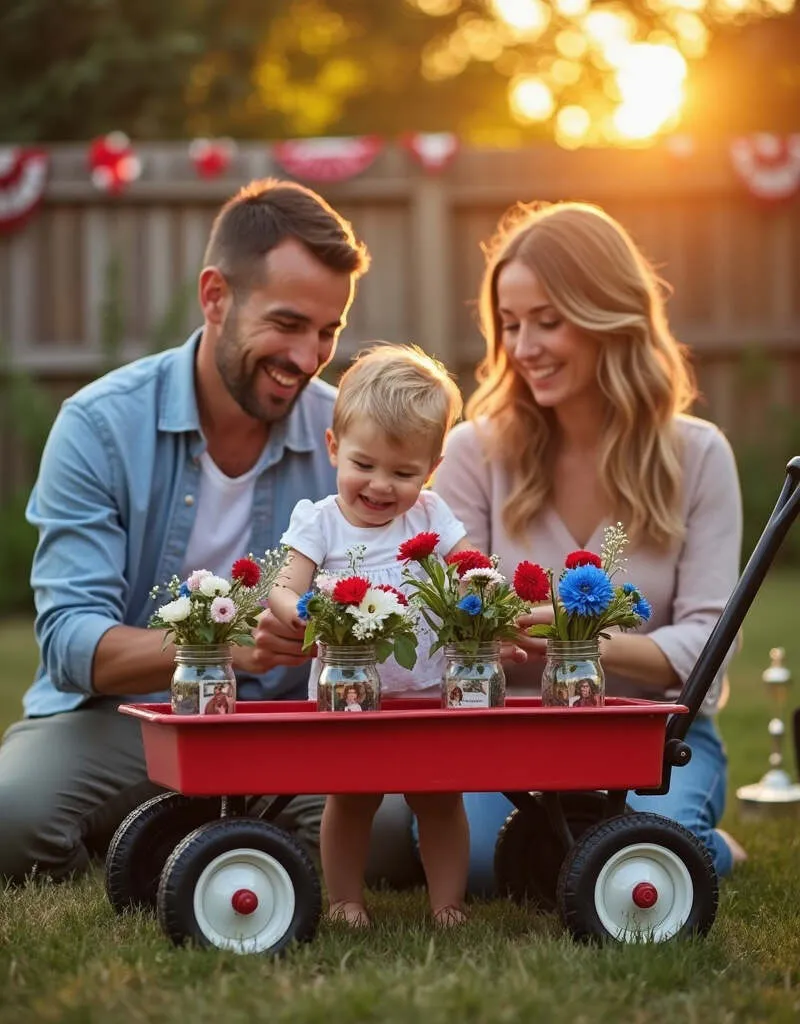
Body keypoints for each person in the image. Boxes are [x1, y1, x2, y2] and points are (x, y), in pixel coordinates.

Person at [0, 178, 369, 884]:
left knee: (383, 841)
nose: (308, 355)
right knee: (12, 819)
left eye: (328, 331)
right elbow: (72, 641)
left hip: (290, 724)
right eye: (287, 324)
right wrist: (221, 643)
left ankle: (196, 833)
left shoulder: (345, 437)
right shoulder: (99, 426)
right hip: (131, 720)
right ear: (215, 297)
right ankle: (194, 830)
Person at [426, 199, 746, 893]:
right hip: (507, 734)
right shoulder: (474, 453)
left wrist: (576, 643)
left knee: (639, 863)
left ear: (611, 315)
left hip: (651, 737)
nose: (524, 346)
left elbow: (711, 639)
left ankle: (696, 840)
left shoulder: (697, 455)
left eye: (548, 320)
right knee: (489, 868)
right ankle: (689, 846)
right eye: (510, 324)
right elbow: (452, 626)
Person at [268, 343, 472, 927]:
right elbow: (285, 586)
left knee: (439, 797)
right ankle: (345, 900)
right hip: (349, 691)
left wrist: (485, 597)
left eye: (404, 472)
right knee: (351, 798)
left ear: (429, 471)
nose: (381, 485)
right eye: (365, 465)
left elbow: (472, 567)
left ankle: (447, 903)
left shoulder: (431, 516)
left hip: (428, 689)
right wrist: (302, 609)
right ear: (334, 448)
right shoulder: (321, 520)